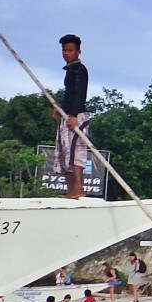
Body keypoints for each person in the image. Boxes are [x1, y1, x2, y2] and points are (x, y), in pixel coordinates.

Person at [53, 34, 90, 199]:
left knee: (76, 152)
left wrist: (74, 115)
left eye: (70, 50)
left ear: (78, 52)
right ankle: (71, 190)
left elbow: (80, 94)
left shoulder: (80, 70)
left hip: (77, 116)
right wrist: (60, 107)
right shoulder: (69, 71)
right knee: (65, 153)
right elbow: (70, 94)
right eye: (64, 50)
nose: (66, 53)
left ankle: (78, 188)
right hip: (67, 115)